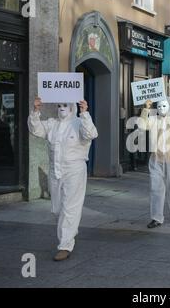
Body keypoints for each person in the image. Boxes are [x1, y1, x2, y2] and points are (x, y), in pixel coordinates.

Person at [28, 97, 98, 261]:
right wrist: (36, 111)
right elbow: (36, 129)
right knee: (57, 208)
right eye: (59, 105)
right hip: (55, 170)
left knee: (69, 208)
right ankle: (70, 229)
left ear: (72, 107)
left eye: (65, 105)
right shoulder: (52, 123)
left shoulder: (79, 123)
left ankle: (65, 245)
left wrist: (85, 113)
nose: (61, 108)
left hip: (74, 170)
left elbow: (91, 134)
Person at [140, 99, 170, 228]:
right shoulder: (153, 120)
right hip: (156, 159)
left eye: (164, 105)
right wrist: (146, 109)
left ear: (169, 106)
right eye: (159, 106)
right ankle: (156, 217)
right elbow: (142, 125)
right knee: (155, 188)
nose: (161, 108)